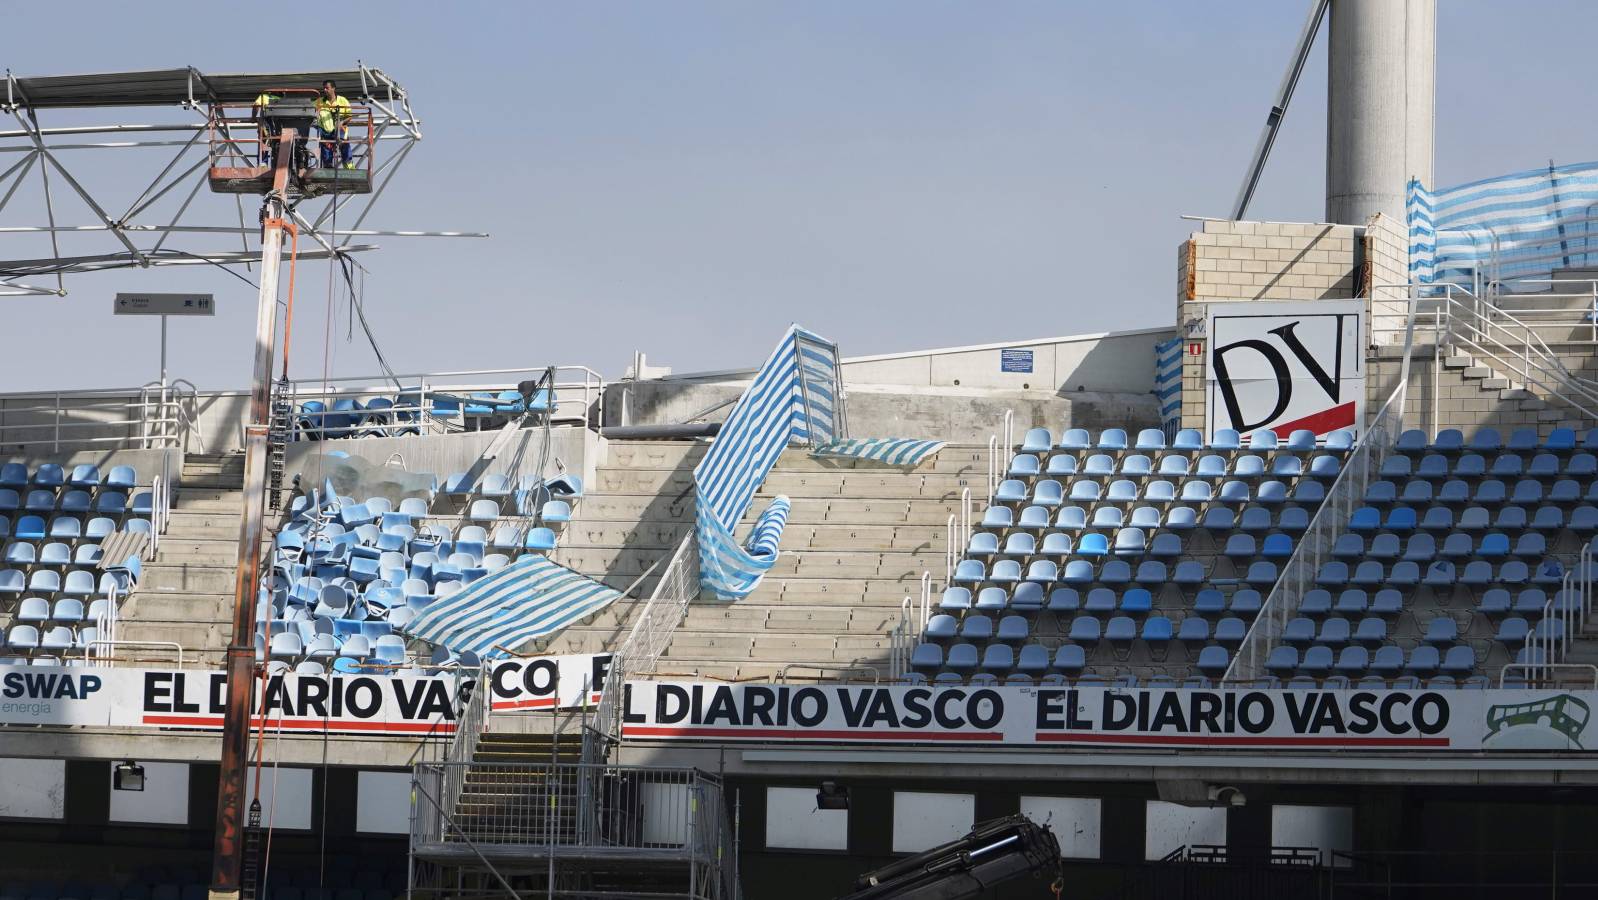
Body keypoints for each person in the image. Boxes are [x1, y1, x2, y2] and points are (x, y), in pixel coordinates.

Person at [312, 80, 353, 170]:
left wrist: (342, 122)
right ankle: (328, 168)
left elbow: (350, 117)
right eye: (324, 88)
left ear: (333, 88)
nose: (325, 90)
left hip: (341, 130)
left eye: (327, 88)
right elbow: (308, 110)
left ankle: (350, 170)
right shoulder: (319, 102)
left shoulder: (342, 100)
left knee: (345, 149)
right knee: (326, 153)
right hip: (326, 131)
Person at [252, 90, 281, 166]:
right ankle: (278, 163)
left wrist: (253, 118)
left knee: (264, 142)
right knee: (278, 144)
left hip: (266, 124)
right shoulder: (283, 99)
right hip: (280, 125)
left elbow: (256, 106)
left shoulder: (264, 97)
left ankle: (263, 162)